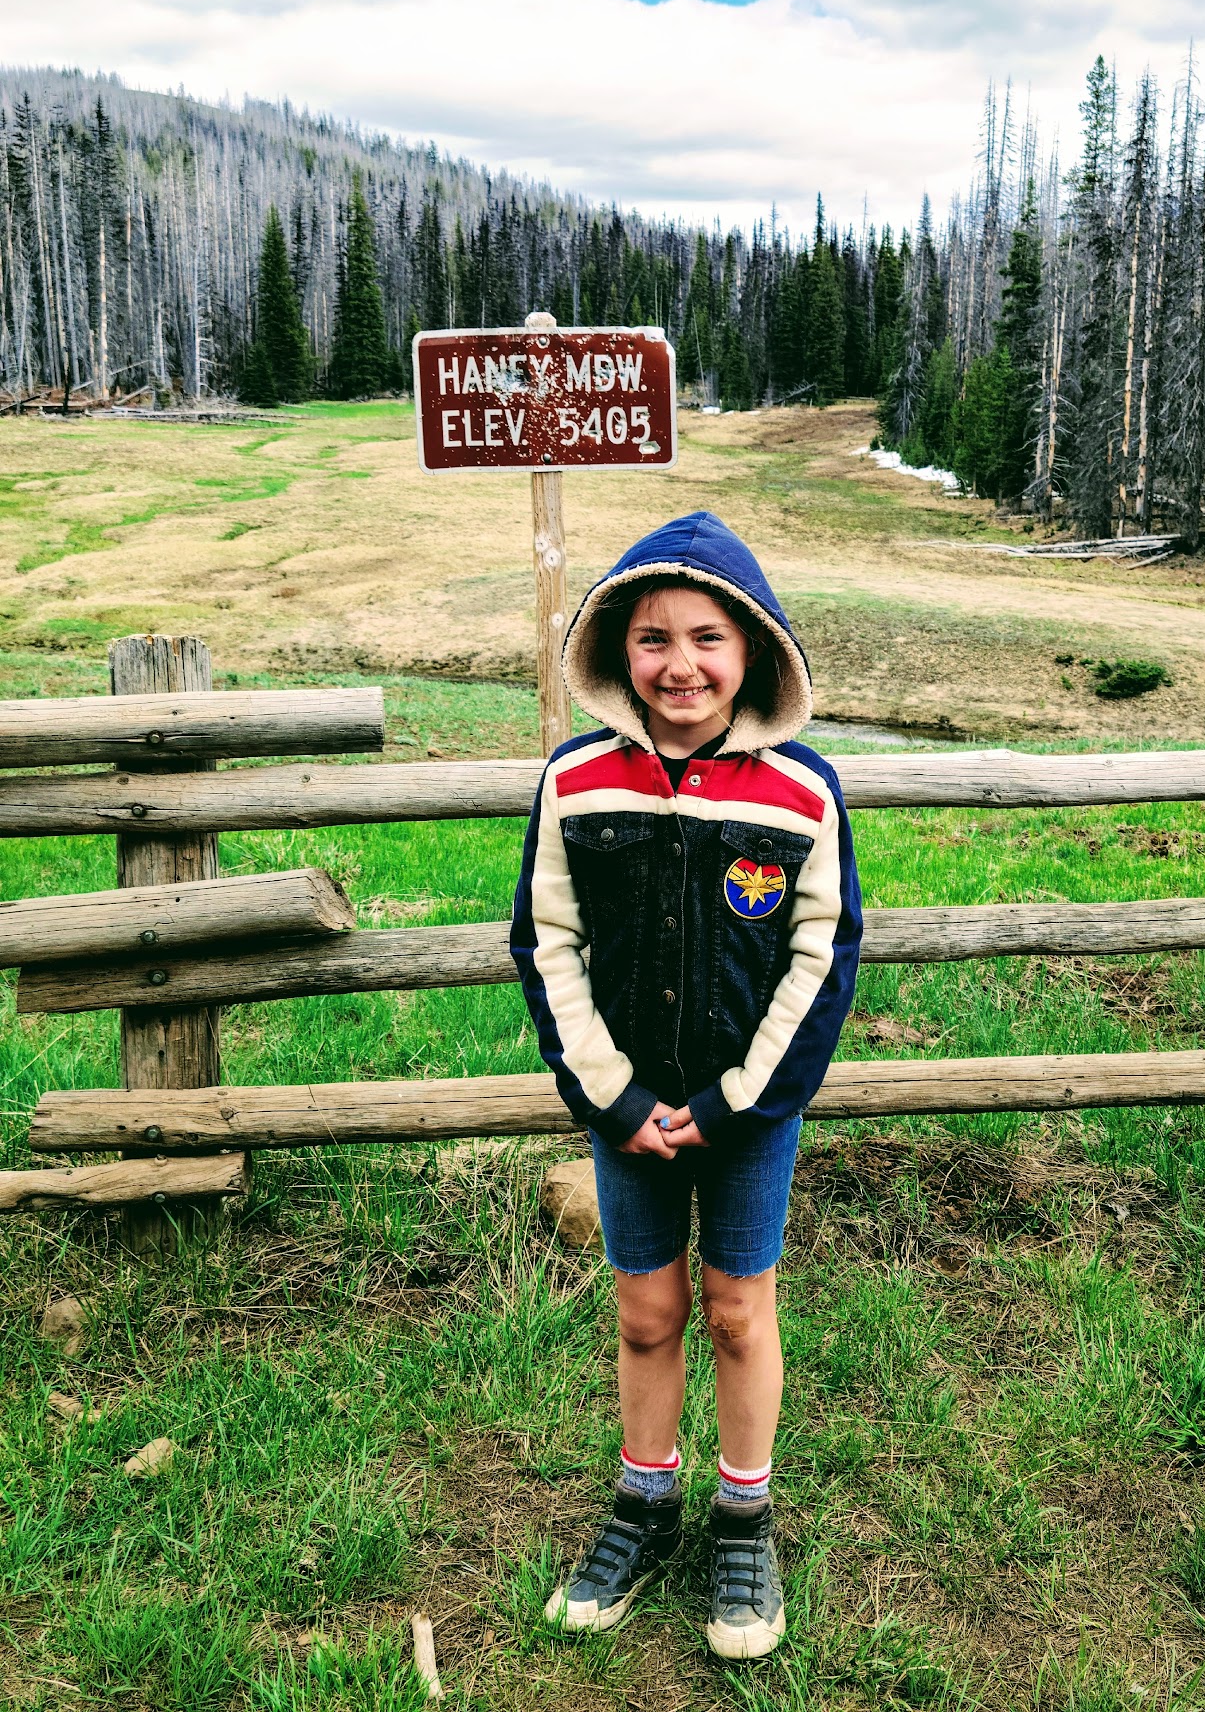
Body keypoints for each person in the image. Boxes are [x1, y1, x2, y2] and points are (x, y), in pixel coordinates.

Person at [510, 510, 862, 1660]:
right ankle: (643, 1503)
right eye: (653, 637)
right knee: (648, 1311)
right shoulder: (574, 781)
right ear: (619, 649)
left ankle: (744, 1515)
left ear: (754, 649)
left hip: (748, 1113)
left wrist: (734, 1101)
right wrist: (611, 1096)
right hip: (626, 1111)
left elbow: (822, 954)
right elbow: (546, 942)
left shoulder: (803, 792)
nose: (681, 664)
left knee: (735, 1309)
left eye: (708, 636)